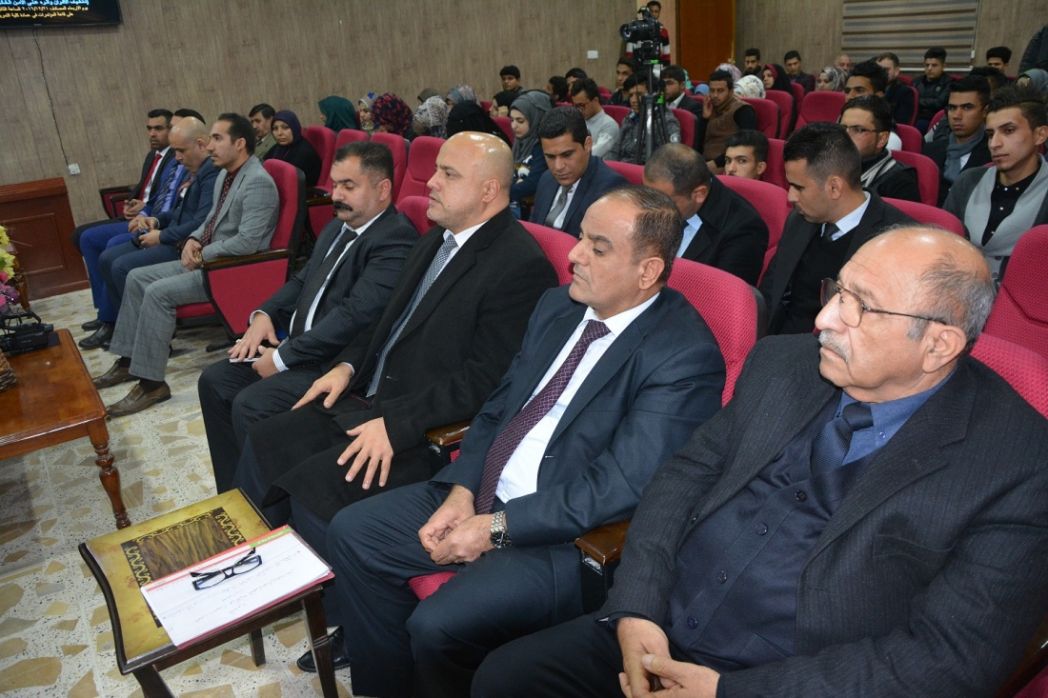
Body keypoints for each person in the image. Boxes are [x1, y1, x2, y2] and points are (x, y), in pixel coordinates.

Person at [475, 225, 1048, 698]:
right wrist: (637, 609)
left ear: (939, 345)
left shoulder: (1018, 464)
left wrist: (728, 692)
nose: (824, 319)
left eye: (860, 307)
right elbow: (682, 478)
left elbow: (951, 658)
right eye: (837, 291)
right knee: (504, 679)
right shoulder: (783, 364)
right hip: (659, 627)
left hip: (796, 680)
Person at [319, 185, 726, 698]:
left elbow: (619, 486)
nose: (574, 255)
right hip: (487, 493)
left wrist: (496, 528)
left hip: (565, 536)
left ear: (647, 272)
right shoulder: (558, 307)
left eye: (598, 248)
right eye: (581, 237)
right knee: (353, 533)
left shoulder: (683, 355)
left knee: (437, 625)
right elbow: (499, 407)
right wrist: (462, 490)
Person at [231, 132, 558, 535]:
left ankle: (280, 564)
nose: (431, 182)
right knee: (264, 442)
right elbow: (387, 318)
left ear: (489, 190)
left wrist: (397, 425)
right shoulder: (437, 238)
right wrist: (347, 365)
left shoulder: (520, 266)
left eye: (449, 174)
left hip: (417, 428)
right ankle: (247, 555)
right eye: (436, 170)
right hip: (368, 397)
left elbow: (486, 380)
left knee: (309, 496)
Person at [199, 141, 418, 491]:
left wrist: (282, 358)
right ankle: (234, 492)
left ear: (382, 190)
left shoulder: (395, 240)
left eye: (349, 186)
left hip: (335, 363)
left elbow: (355, 315)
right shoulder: (337, 227)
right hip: (300, 347)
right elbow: (302, 280)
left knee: (251, 405)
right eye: (335, 184)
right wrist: (265, 314)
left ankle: (268, 507)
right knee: (214, 381)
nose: (336, 195)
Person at [92, 113, 279, 417]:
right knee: (136, 278)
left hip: (230, 270)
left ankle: (152, 385)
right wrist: (193, 239)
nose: (210, 146)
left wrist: (203, 253)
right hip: (210, 260)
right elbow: (210, 220)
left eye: (217, 138)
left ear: (240, 143)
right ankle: (129, 361)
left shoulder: (257, 182)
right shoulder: (226, 175)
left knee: (157, 293)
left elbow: (248, 242)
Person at [760, 122, 912, 335]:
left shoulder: (897, 241)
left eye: (798, 187)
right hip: (780, 341)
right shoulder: (799, 220)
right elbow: (771, 291)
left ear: (834, 187)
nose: (790, 197)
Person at [88, 117, 220, 350]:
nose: (177, 158)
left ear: (201, 144)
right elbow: (180, 212)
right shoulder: (198, 170)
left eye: (181, 151)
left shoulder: (211, 173)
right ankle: (127, 330)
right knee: (107, 258)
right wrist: (156, 220)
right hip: (172, 235)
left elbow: (200, 222)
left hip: (183, 245)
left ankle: (153, 341)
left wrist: (160, 236)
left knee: (121, 267)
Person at [75, 108, 178, 336]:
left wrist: (146, 211)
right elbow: (147, 190)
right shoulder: (153, 156)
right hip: (145, 215)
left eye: (158, 128)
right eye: (149, 129)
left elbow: (169, 201)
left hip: (159, 223)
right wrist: (133, 203)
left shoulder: (178, 158)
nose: (152, 134)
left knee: (113, 246)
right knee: (86, 237)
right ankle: (104, 310)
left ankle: (111, 318)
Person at [944, 85, 1048, 281]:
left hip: (1026, 293)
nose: (994, 144)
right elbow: (945, 242)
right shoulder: (968, 181)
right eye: (991, 134)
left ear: (1039, 135)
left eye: (1009, 131)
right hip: (960, 286)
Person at [643, 144, 768, 284]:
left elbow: (724, 294)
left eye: (664, 201)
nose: (653, 208)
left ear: (699, 194)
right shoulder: (662, 198)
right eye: (648, 195)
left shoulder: (744, 230)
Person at [530, 107, 627, 236]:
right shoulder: (546, 178)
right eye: (550, 157)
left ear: (587, 145)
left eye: (567, 155)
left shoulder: (611, 188)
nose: (558, 166)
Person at [923, 75, 993, 203]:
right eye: (952, 108)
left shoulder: (993, 155)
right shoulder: (929, 151)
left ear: (985, 111)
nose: (957, 115)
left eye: (967, 107)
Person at [840, 96, 920, 202]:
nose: (845, 136)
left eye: (858, 130)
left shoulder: (900, 181)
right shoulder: (830, 164)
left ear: (882, 139)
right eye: (842, 128)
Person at [607, 74, 682, 165]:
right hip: (622, 168)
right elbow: (615, 150)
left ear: (655, 95)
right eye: (631, 95)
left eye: (639, 94)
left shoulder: (666, 122)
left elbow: (669, 160)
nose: (633, 100)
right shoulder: (629, 117)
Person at [696, 69, 758, 169]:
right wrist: (704, 119)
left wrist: (715, 163)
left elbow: (744, 145)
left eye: (720, 91)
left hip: (727, 165)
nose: (715, 95)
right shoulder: (709, 107)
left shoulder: (743, 110)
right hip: (703, 163)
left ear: (731, 91)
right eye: (712, 90)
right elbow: (698, 144)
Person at [508, 90, 552, 217]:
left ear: (536, 119)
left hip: (529, 210)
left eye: (520, 121)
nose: (514, 126)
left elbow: (533, 184)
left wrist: (501, 192)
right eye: (512, 120)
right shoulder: (519, 142)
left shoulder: (542, 147)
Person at [844, 61, 903, 151]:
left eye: (859, 90)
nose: (850, 96)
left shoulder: (889, 140)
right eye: (847, 91)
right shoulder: (840, 124)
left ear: (879, 96)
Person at [262, 110, 322, 187]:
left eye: (285, 128)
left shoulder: (304, 152)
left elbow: (293, 182)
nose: (279, 133)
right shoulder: (278, 148)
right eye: (275, 128)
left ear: (294, 128)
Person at [571, 77, 619, 159]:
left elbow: (594, 153)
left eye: (582, 105)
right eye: (576, 106)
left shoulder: (609, 125)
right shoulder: (576, 120)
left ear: (595, 100)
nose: (579, 110)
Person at [914, 47, 953, 131]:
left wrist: (918, 101)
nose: (929, 68)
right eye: (927, 65)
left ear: (943, 66)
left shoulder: (949, 83)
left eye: (934, 65)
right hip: (915, 116)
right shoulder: (916, 82)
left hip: (934, 119)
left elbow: (939, 103)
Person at [876, 51, 916, 127]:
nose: (881, 73)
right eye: (878, 70)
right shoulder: (871, 89)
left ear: (896, 71)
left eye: (886, 70)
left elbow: (901, 123)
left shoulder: (905, 92)